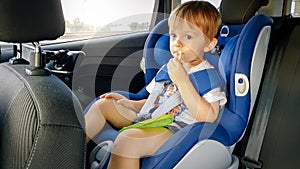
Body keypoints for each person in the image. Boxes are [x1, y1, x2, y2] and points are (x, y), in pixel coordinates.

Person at [84, 1, 226, 169]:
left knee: (127, 141)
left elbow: (208, 117)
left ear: (209, 44)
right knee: (103, 105)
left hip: (175, 128)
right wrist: (129, 103)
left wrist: (182, 81)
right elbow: (154, 101)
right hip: (151, 118)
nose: (177, 43)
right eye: (174, 35)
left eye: (188, 37)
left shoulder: (208, 77)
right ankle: (64, 153)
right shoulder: (169, 68)